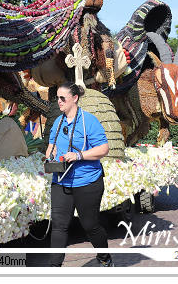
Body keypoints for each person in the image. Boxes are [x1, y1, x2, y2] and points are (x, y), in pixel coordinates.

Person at [45, 82, 112, 267]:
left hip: (88, 181)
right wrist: (50, 155)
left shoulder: (89, 120)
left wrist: (79, 155)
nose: (58, 101)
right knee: (59, 225)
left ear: (74, 98)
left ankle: (104, 257)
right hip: (61, 180)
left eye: (62, 98)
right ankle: (54, 268)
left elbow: (104, 148)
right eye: (57, 98)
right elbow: (51, 146)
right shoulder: (58, 122)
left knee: (90, 225)